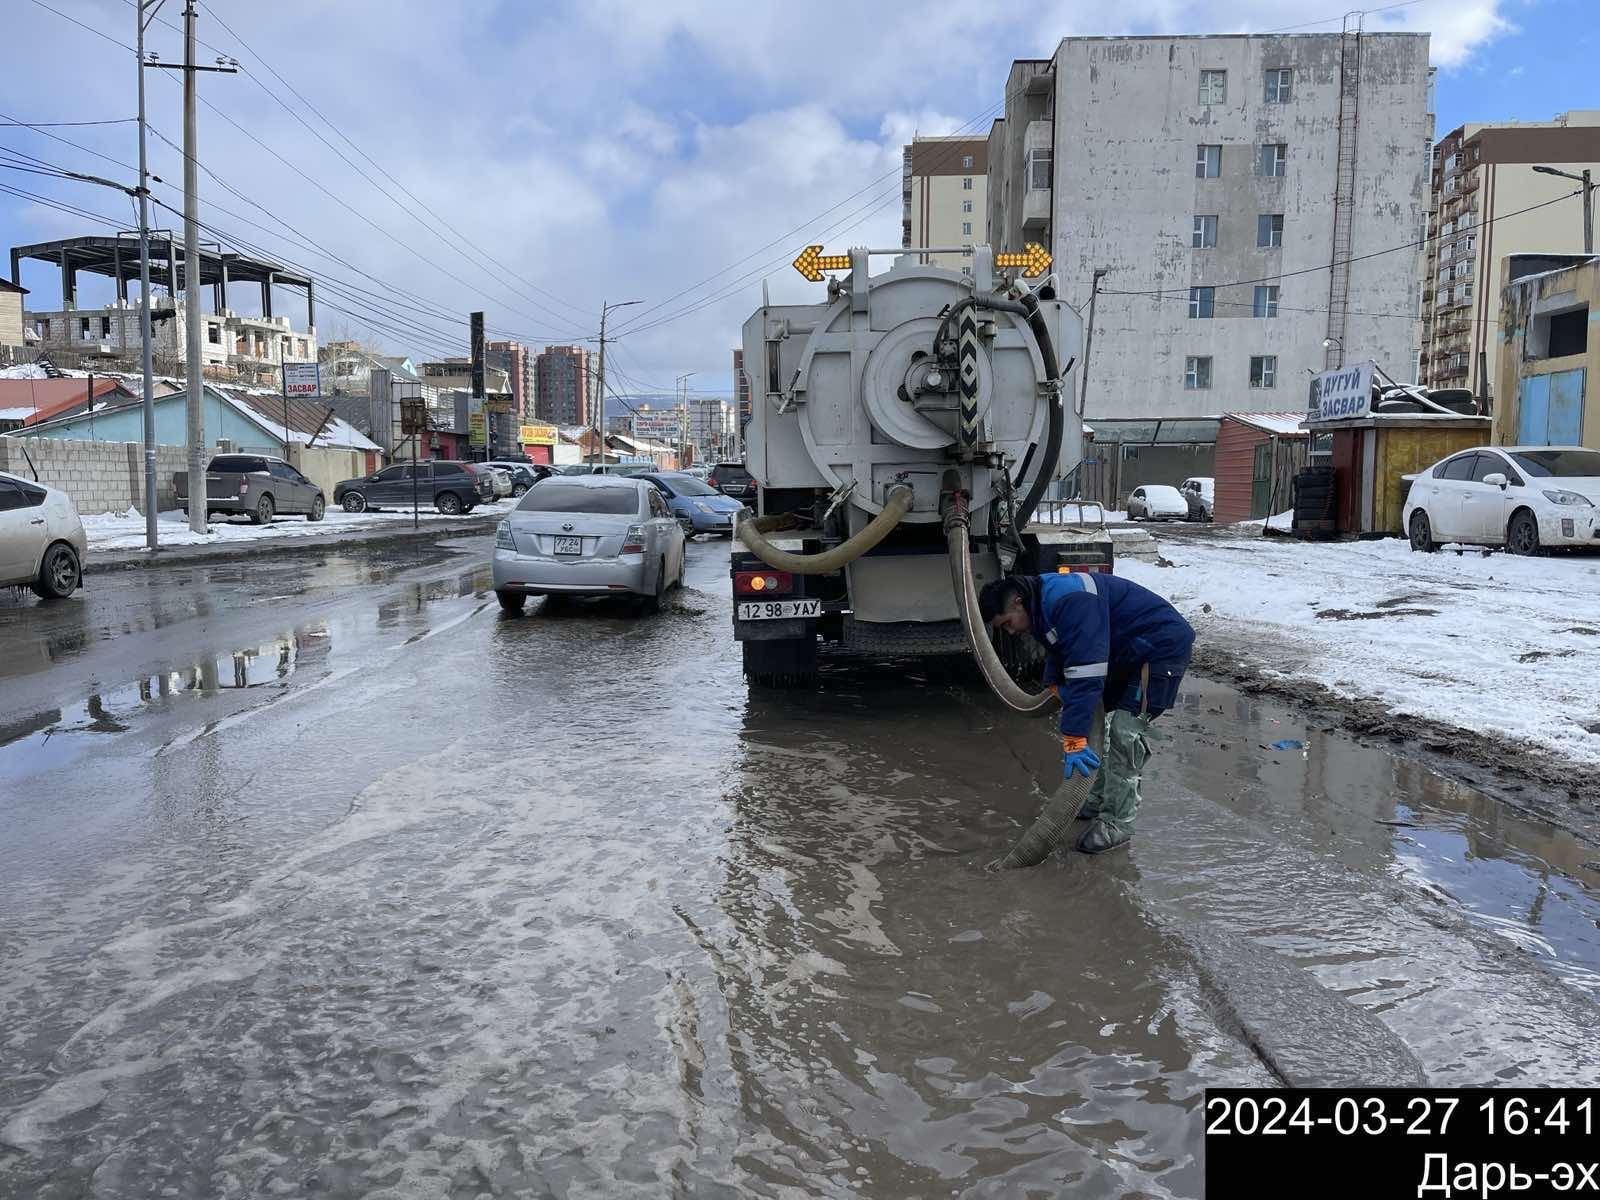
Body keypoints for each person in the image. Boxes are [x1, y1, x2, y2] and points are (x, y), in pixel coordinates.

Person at [979, 570, 1195, 854]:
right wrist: (1054, 684)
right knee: (1102, 726)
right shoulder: (1040, 601)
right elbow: (1060, 646)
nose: (1010, 631)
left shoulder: (1069, 599)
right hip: (1125, 648)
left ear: (1017, 602)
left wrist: (1074, 739)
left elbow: (1086, 673)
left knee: (1124, 733)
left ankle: (1118, 822)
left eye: (1007, 623)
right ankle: (1095, 798)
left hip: (1159, 648)